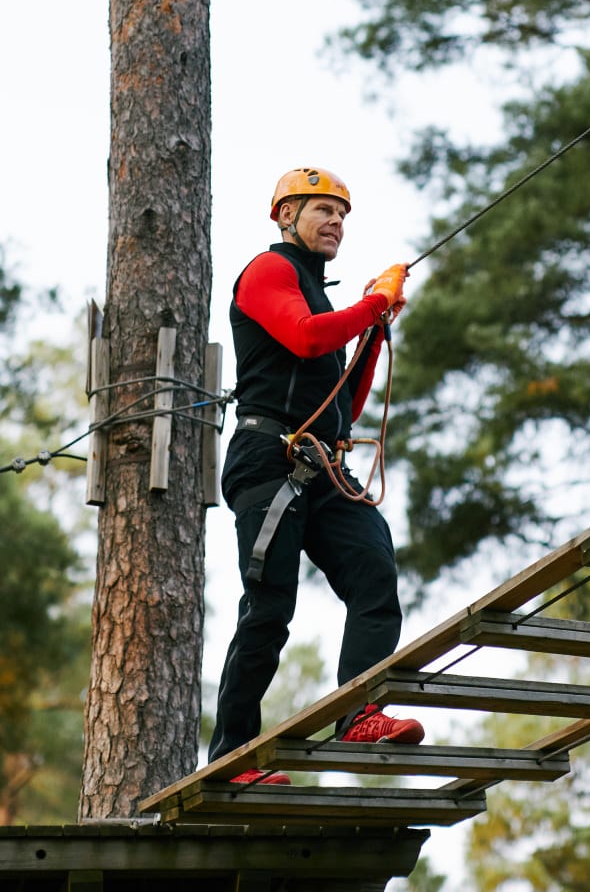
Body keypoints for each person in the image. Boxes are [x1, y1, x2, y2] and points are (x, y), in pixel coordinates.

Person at [208, 166, 425, 782]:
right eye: (321, 210)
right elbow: (305, 341)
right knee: (271, 606)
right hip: (270, 456)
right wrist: (371, 303)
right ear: (286, 217)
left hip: (323, 463)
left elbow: (343, 404)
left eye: (342, 215)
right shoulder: (269, 271)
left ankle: (360, 713)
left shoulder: (321, 296)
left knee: (374, 576)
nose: (335, 222)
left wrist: (374, 329)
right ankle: (230, 756)